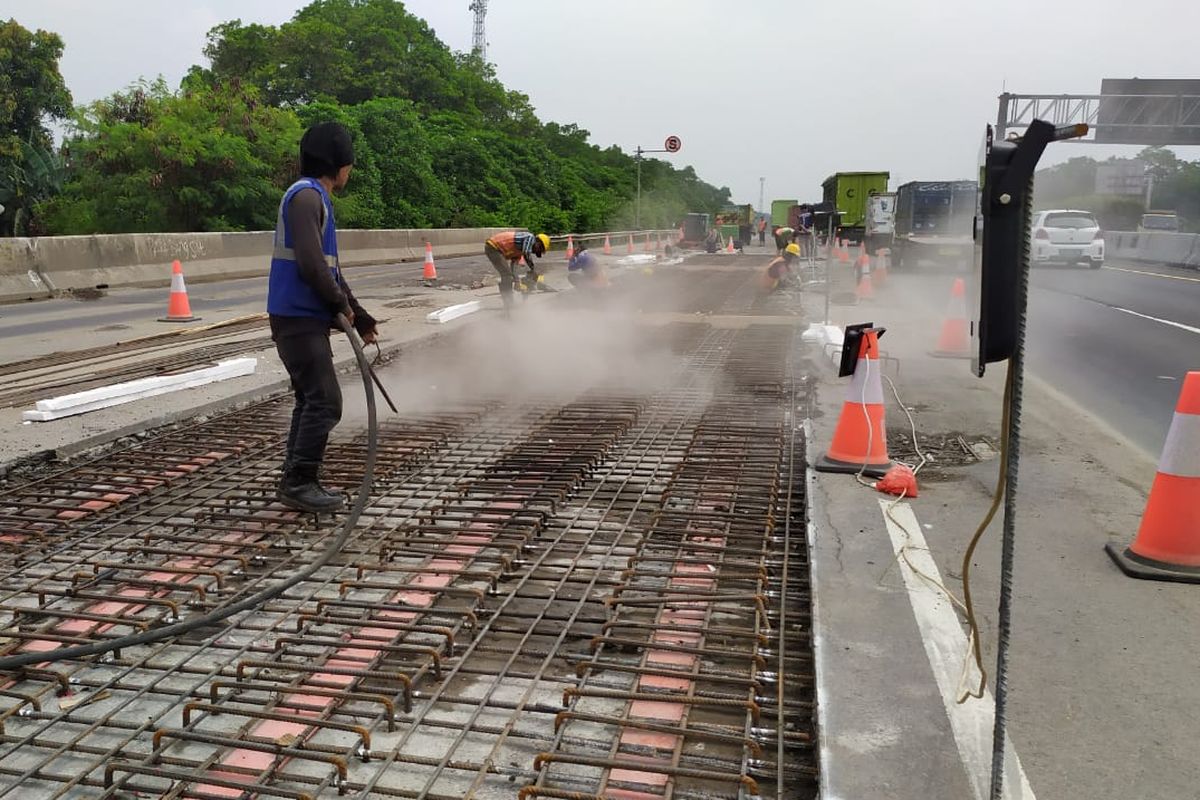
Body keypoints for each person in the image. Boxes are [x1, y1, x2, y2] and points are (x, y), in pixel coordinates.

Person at [267, 122, 378, 514]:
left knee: (310, 399)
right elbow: (312, 267)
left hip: (301, 318)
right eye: (349, 163)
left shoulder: (316, 199)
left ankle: (295, 479)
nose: (350, 170)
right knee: (326, 402)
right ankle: (299, 481)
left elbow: (330, 271)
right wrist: (338, 307)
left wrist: (357, 313)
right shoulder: (306, 198)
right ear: (337, 164)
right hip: (297, 318)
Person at [484, 230, 552, 311]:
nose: (535, 252)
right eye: (538, 250)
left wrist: (517, 282)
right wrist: (533, 270)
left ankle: (508, 302)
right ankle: (508, 303)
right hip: (493, 247)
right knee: (507, 276)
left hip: (495, 249)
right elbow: (527, 253)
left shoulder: (518, 251)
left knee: (508, 276)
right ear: (538, 242)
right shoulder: (529, 237)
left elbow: (514, 268)